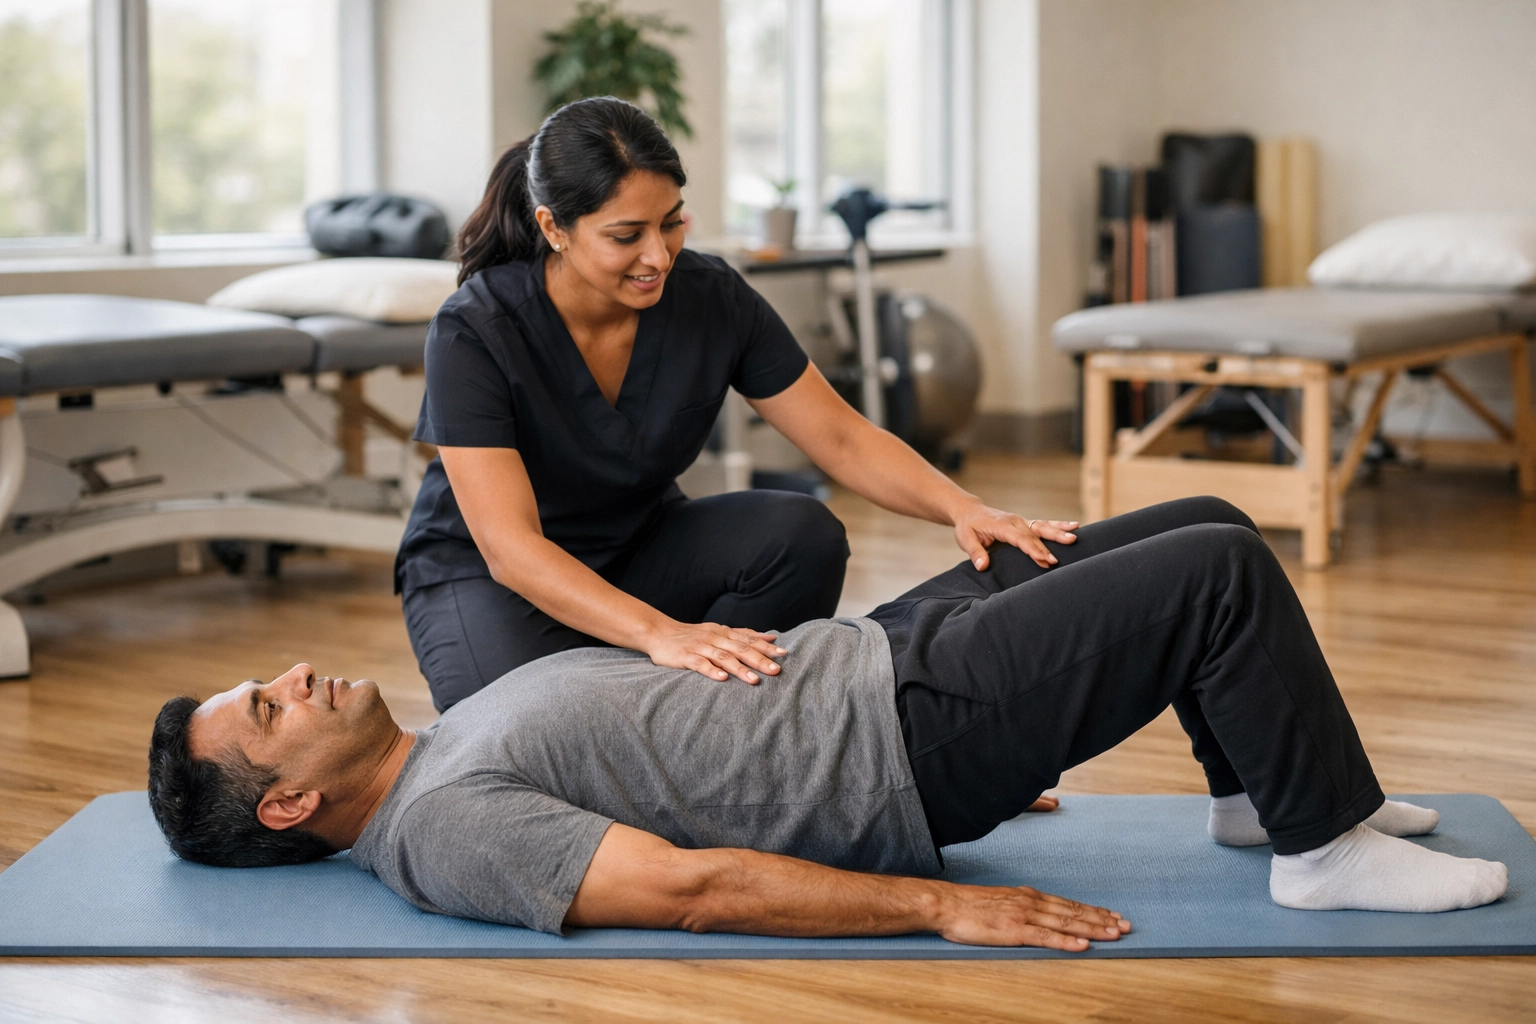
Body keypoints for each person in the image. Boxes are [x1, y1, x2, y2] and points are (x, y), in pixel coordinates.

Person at [151, 499, 1507, 949]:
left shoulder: (438, 744)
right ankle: (1318, 850)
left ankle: (1259, 790)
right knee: (1218, 580)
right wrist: (940, 910)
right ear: (284, 805)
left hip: (873, 660)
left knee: (1201, 530)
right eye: (268, 712)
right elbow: (688, 887)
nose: (295, 675)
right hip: (903, 746)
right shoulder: (442, 834)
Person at [398, 96, 1068, 711]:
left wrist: (966, 508)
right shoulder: (476, 328)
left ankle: (733, 730)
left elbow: (841, 438)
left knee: (800, 536)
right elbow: (510, 548)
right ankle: (652, 705)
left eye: (672, 223)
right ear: (554, 227)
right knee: (526, 727)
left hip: (637, 550)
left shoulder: (710, 296)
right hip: (490, 579)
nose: (657, 256)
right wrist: (661, 634)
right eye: (626, 235)